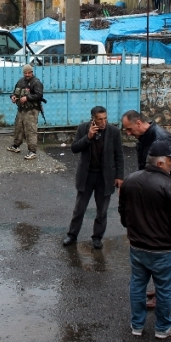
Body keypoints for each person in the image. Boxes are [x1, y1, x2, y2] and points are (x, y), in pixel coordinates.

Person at [118, 139, 171, 339]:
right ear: (159, 163)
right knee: (164, 289)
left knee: (137, 285)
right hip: (163, 250)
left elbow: (123, 212)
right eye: (169, 161)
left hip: (137, 247)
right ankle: (163, 327)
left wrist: (132, 230)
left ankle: (137, 325)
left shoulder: (130, 180)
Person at [63, 106, 124, 249]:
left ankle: (97, 237)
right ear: (93, 119)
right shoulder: (83, 128)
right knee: (79, 208)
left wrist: (119, 176)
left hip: (105, 177)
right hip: (87, 175)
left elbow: (119, 156)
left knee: (102, 210)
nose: (103, 122)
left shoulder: (113, 132)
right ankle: (72, 235)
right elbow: (74, 148)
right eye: (99, 119)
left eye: (105, 119)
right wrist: (88, 137)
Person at [121, 110, 171, 196]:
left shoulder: (161, 138)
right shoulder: (142, 138)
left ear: (139, 123)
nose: (128, 133)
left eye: (129, 129)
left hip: (163, 194)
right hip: (153, 190)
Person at [7, 64, 43, 160]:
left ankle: (32, 151)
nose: (27, 75)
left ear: (32, 72)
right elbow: (14, 92)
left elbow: (39, 95)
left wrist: (27, 98)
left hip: (31, 110)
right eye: (25, 73)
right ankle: (16, 146)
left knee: (30, 130)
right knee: (18, 128)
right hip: (21, 109)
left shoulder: (36, 82)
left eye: (28, 73)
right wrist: (13, 96)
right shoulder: (20, 81)